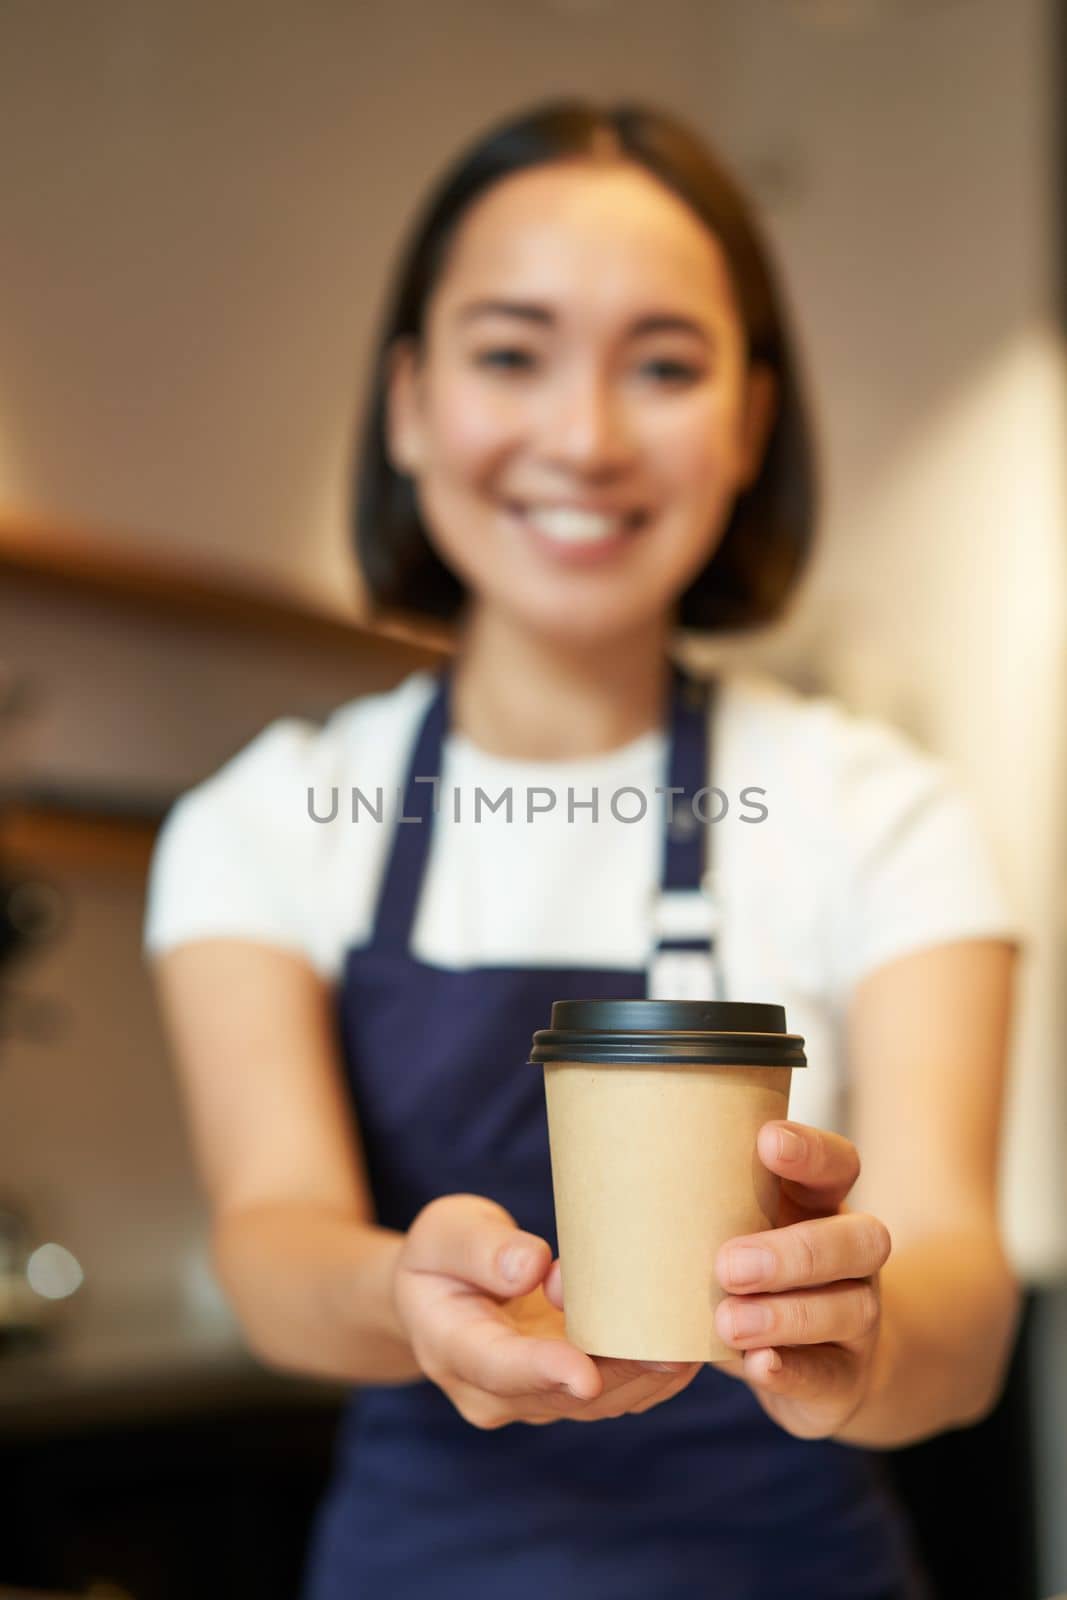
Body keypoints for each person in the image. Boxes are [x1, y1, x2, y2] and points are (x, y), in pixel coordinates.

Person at [143, 98, 1023, 1600]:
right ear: (410, 401)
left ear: (749, 420)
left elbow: (965, 1289)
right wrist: (408, 1296)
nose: (586, 435)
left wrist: (863, 1331)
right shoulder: (265, 818)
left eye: (665, 366)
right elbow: (270, 1245)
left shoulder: (879, 808)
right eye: (510, 352)